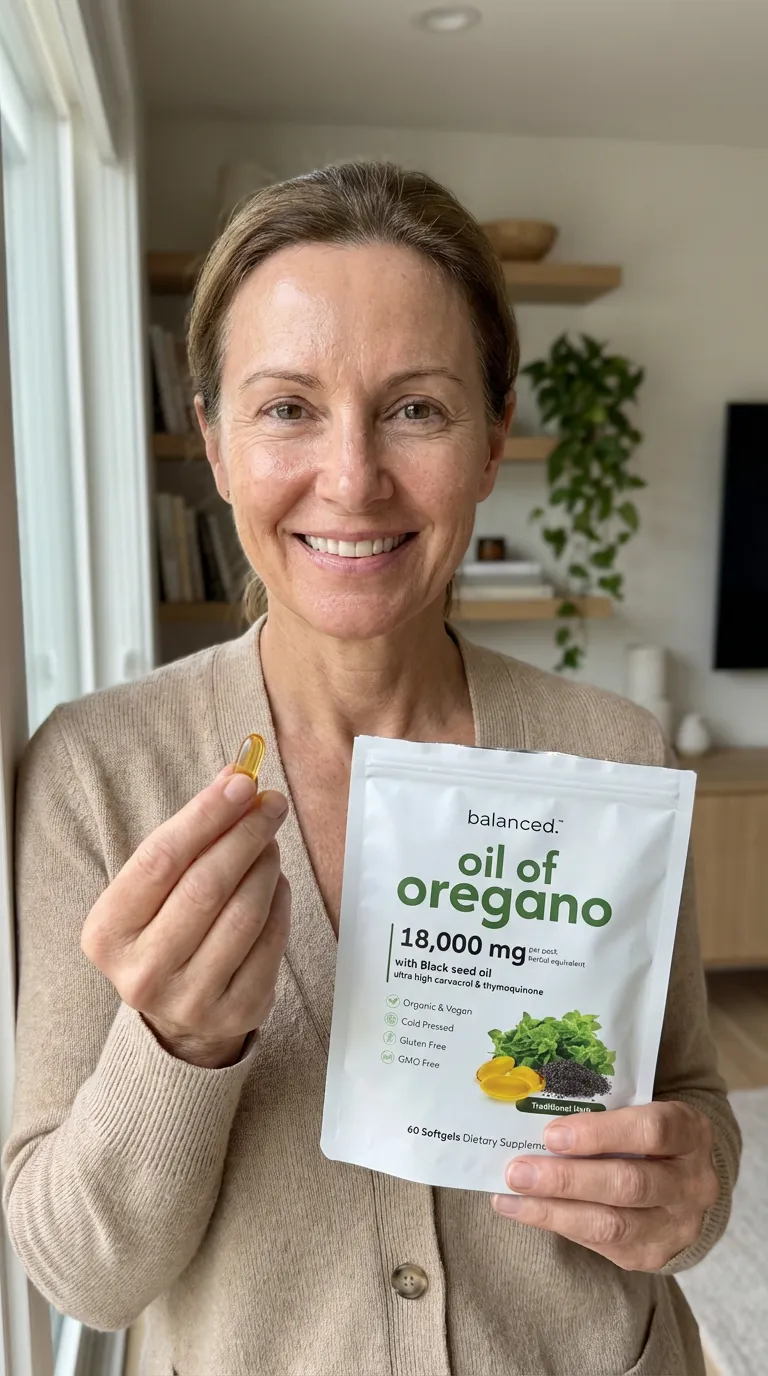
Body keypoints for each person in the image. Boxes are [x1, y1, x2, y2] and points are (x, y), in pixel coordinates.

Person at [3, 162, 738, 1376]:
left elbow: (695, 1098)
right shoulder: (96, 774)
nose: (353, 478)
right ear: (216, 440)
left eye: (416, 408)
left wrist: (694, 1188)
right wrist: (174, 1049)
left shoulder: (613, 753)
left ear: (495, 436)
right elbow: (81, 1272)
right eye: (288, 406)